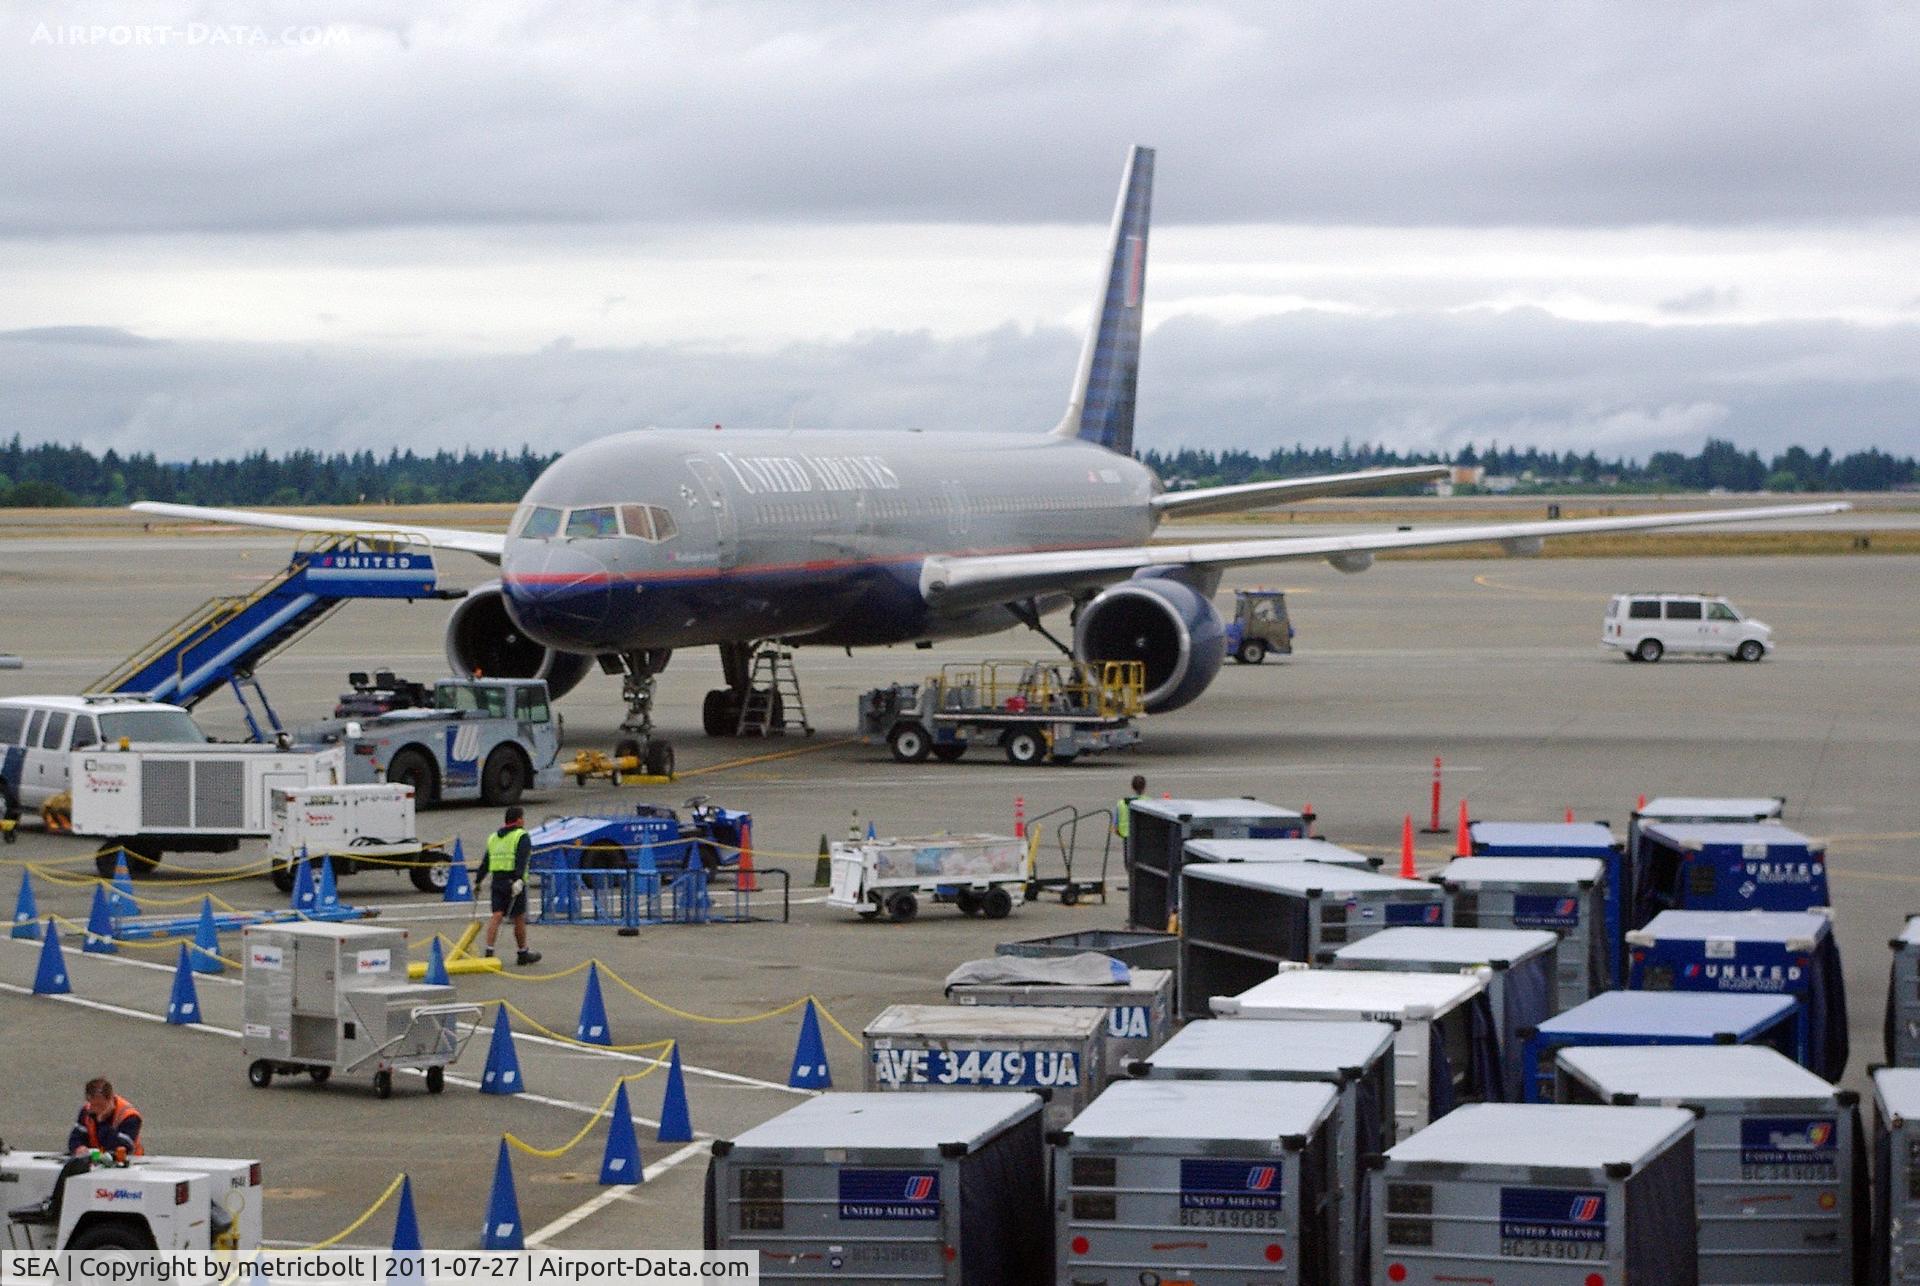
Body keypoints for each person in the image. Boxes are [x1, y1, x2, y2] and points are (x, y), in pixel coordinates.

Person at [474, 805, 542, 966]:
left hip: (497, 881)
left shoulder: (493, 838)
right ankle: (522, 953)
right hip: (513, 882)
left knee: (496, 915)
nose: (524, 821)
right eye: (522, 818)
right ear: (518, 820)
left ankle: (489, 951)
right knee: (518, 918)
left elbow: (486, 862)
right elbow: (522, 859)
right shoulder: (521, 836)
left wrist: (478, 881)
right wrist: (519, 879)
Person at [68, 1078, 143, 1157]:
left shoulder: (129, 1116)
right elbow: (76, 1137)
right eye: (93, 1105)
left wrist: (102, 1122)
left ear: (110, 1099)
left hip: (127, 1162)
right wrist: (79, 1148)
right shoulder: (87, 1111)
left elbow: (119, 1146)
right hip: (97, 1158)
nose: (96, 1109)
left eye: (100, 1105)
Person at [1116, 775, 1146, 843]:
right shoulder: (1149, 802)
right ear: (1144, 787)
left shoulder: (1121, 803)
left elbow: (1116, 827)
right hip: (1144, 836)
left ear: (1132, 787)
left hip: (1126, 835)